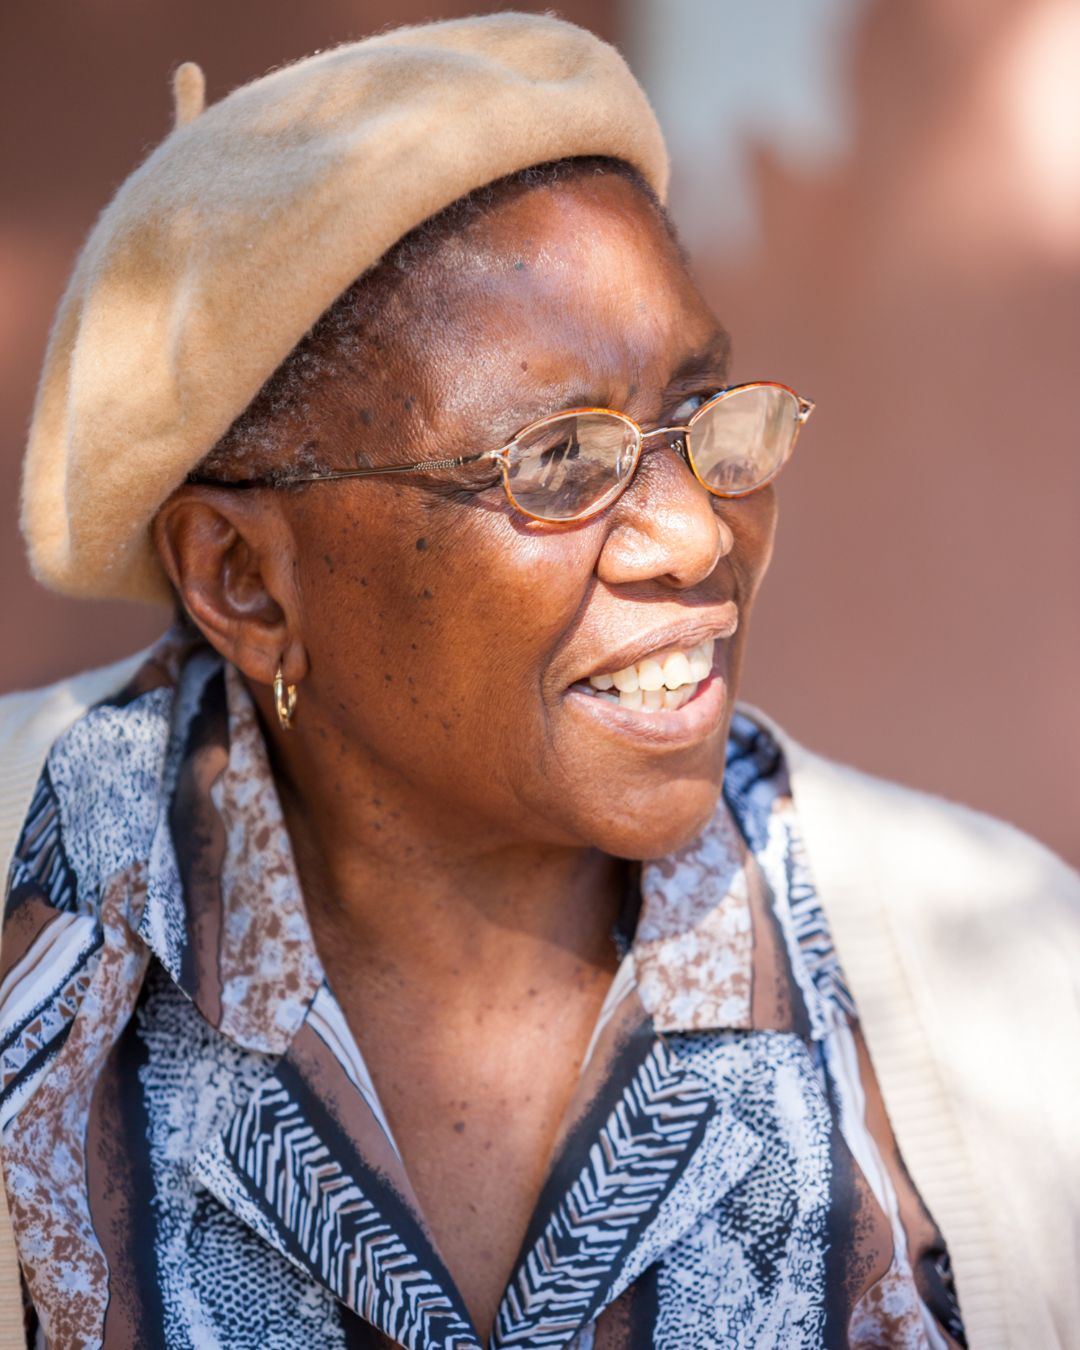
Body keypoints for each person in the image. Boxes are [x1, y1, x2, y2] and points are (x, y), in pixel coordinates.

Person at [0, 14, 1077, 1350]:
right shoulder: (39, 948)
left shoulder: (1016, 985)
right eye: (558, 462)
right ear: (245, 581)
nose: (697, 536)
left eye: (702, 415)